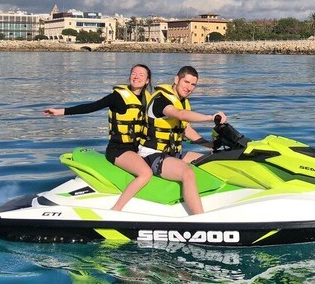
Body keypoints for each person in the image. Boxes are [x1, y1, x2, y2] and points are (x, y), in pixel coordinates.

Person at [43, 64, 154, 211]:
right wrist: (60, 112)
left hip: (139, 148)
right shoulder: (118, 97)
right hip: (119, 149)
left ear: (147, 80)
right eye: (134, 73)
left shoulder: (149, 99)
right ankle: (116, 210)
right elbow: (92, 106)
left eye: (141, 74)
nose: (136, 77)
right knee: (146, 173)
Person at [139, 65, 227, 215]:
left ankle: (220, 204)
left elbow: (186, 130)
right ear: (176, 80)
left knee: (213, 161)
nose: (189, 88)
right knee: (187, 172)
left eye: (193, 84)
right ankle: (200, 219)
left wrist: (209, 145)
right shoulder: (160, 100)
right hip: (152, 155)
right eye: (186, 82)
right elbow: (179, 114)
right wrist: (210, 118)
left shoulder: (182, 101)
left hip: (173, 154)